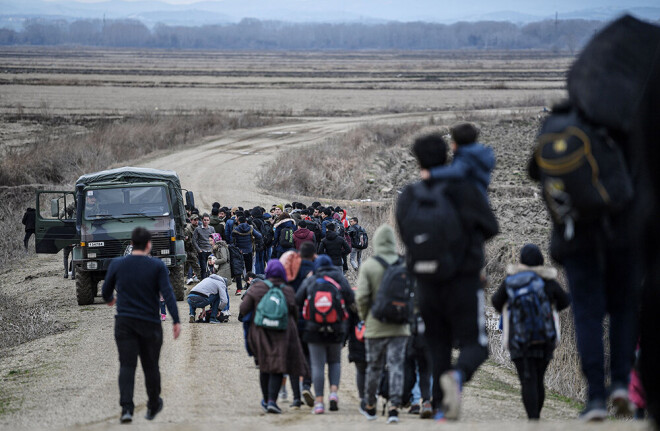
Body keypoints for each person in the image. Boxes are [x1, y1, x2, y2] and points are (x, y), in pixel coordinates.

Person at [397, 133, 498, 421]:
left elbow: (407, 235)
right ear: (449, 156)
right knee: (475, 345)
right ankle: (458, 375)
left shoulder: (410, 195)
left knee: (437, 345)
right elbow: (490, 227)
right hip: (464, 280)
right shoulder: (464, 189)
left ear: (417, 159)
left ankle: (441, 410)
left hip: (426, 283)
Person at [101, 227, 181, 424]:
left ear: (131, 243)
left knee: (127, 365)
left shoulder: (117, 264)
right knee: (151, 366)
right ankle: (153, 404)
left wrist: (110, 299)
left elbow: (105, 290)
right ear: (148, 245)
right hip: (150, 323)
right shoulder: (157, 266)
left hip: (125, 322)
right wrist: (176, 320)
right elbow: (168, 293)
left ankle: (126, 409)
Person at [491, 244, 570, 420]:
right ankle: (536, 417)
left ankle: (532, 419)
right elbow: (564, 301)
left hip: (518, 340)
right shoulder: (548, 282)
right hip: (544, 339)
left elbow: (496, 302)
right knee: (538, 379)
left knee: (527, 380)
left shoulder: (512, 280)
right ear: (541, 261)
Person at [356, 224, 411, 423]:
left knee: (374, 367)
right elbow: (413, 296)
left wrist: (364, 318)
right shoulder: (404, 264)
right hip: (400, 326)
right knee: (397, 365)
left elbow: (361, 297)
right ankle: (395, 406)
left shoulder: (370, 265)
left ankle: (370, 405)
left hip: (375, 325)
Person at [238, 259, 309, 414]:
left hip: (261, 332)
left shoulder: (257, 288)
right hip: (282, 332)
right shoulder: (287, 290)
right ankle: (272, 401)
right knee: (277, 366)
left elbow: (243, 309)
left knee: (264, 365)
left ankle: (265, 400)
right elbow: (295, 313)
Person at [296, 255, 355, 414]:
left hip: (314, 328)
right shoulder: (338, 277)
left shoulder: (312, 278)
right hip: (336, 326)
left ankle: (320, 403)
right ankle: (334, 394)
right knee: (335, 362)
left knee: (317, 365)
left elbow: (297, 299)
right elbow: (350, 298)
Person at [420, 123, 495, 200]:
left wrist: (431, 173)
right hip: (481, 195)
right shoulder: (479, 153)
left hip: (471, 198)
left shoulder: (466, 156)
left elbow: (457, 171)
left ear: (456, 143)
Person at [193, 213, 215, 279]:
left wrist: (213, 248)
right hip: (202, 251)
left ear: (209, 221)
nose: (206, 221)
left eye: (207, 220)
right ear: (202, 220)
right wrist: (199, 249)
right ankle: (203, 283)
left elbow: (215, 239)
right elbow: (194, 240)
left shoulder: (212, 229)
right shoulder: (197, 229)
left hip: (210, 251)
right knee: (203, 268)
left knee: (211, 269)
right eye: (204, 220)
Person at [184, 214, 201, 284]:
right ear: (191, 220)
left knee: (190, 266)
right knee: (194, 265)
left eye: (197, 220)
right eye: (194, 220)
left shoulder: (198, 228)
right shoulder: (187, 229)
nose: (196, 221)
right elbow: (186, 241)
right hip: (189, 250)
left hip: (196, 249)